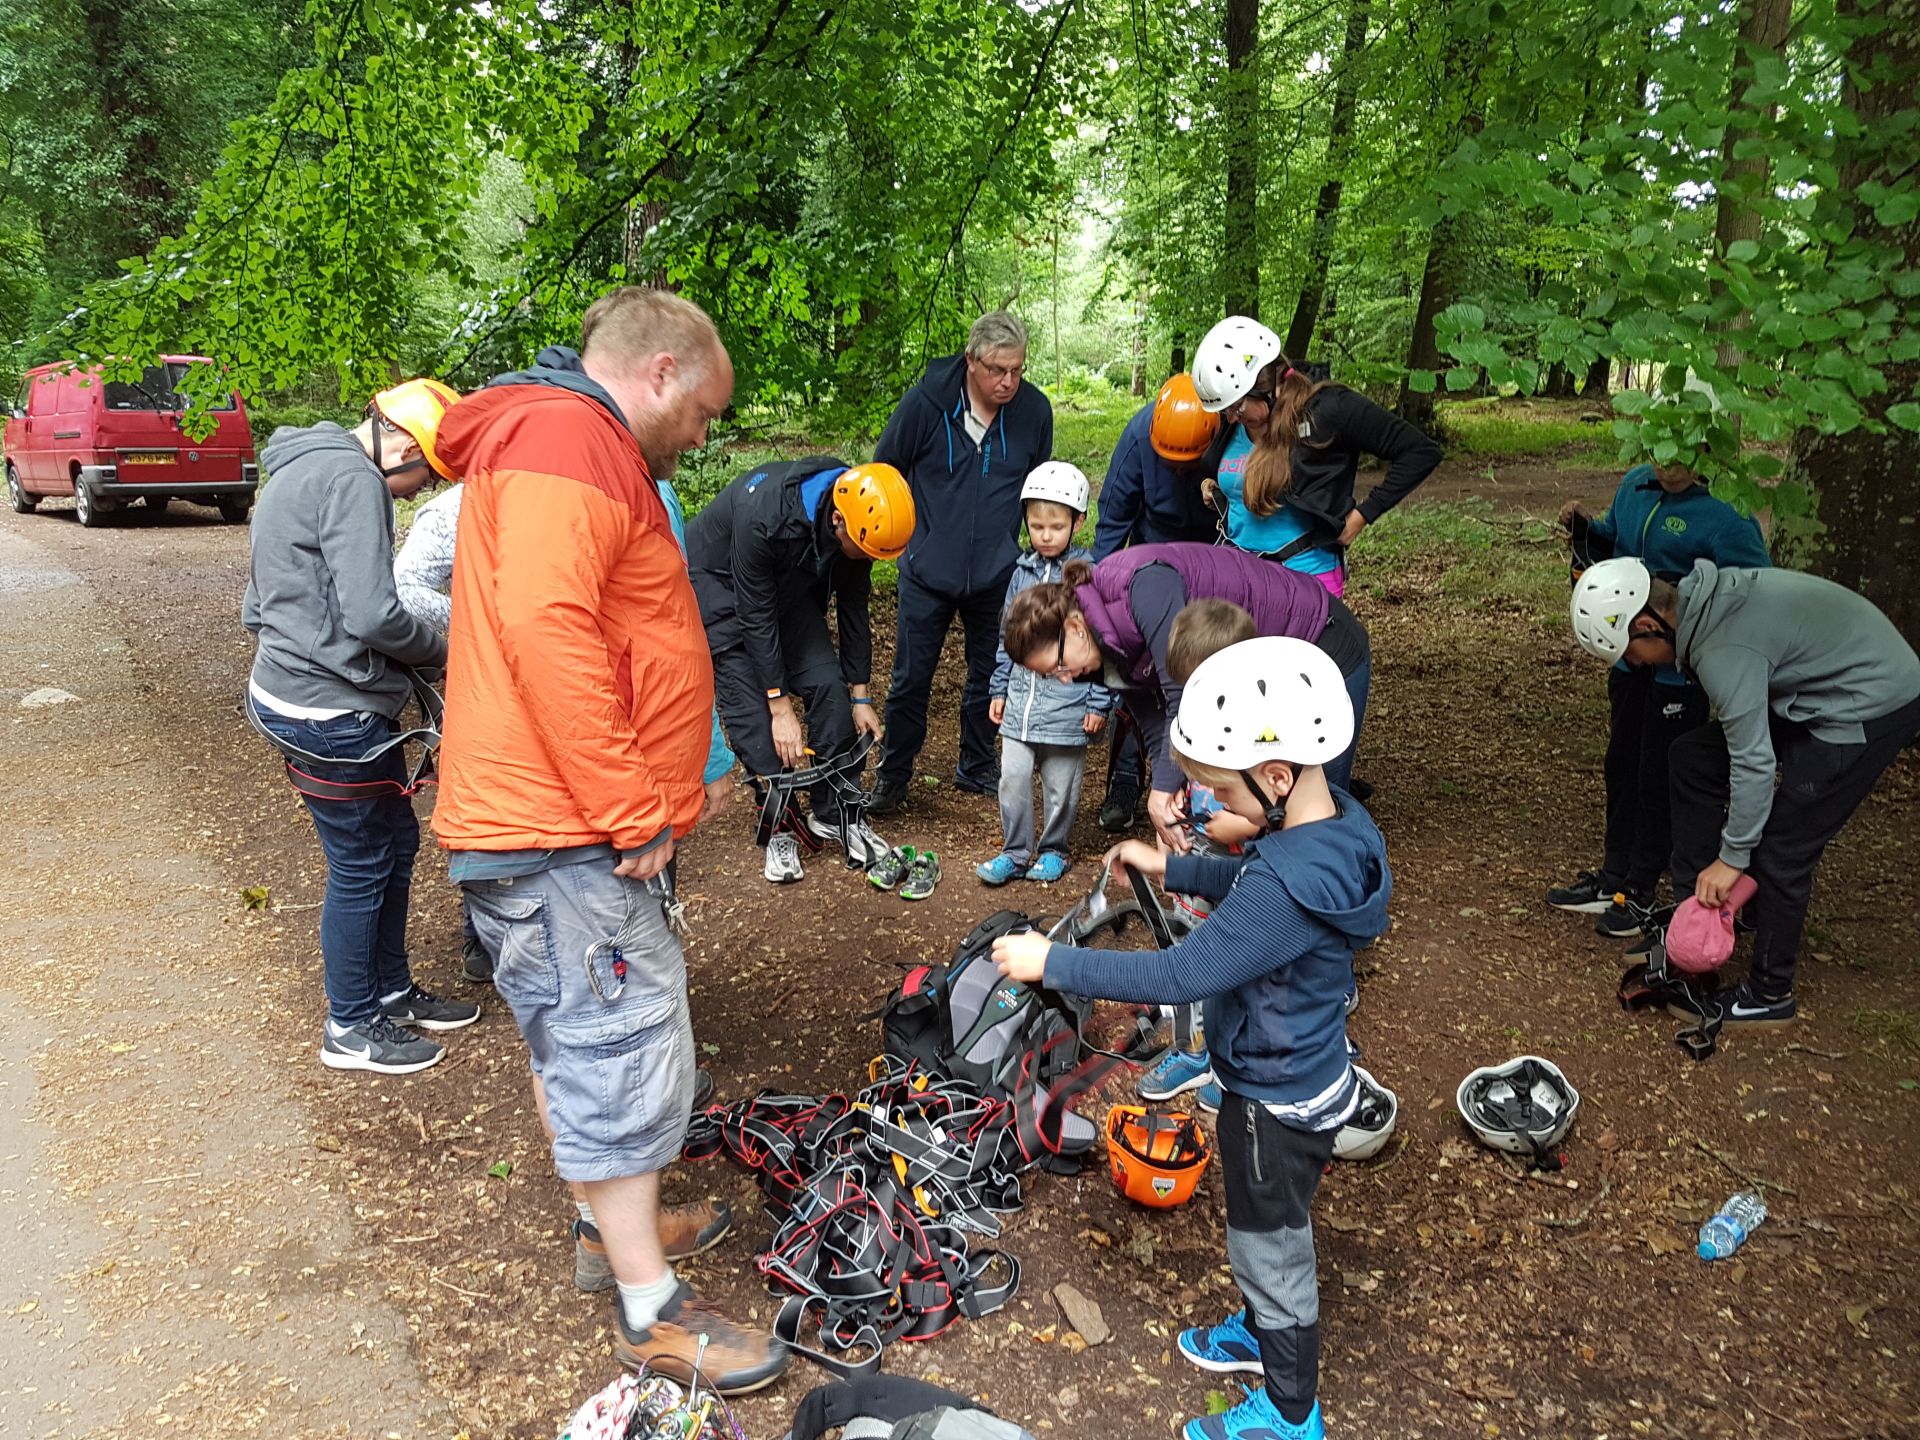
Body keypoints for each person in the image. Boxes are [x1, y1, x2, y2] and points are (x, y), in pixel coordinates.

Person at [430, 289, 785, 1395]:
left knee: (577, 1045)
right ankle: (651, 1313)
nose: (704, 437)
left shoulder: (570, 441)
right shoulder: (568, 437)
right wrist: (636, 806)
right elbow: (549, 627)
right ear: (665, 372)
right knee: (622, 1050)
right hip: (562, 833)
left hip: (546, 824)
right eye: (707, 412)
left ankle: (610, 1234)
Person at [991, 636, 1390, 1440]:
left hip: (1270, 1103)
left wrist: (1053, 960)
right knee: (1276, 1228)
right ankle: (1262, 1331)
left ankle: (1289, 1410)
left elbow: (1181, 976)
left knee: (1268, 1248)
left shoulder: (1283, 881)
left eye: (1215, 793)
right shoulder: (1338, 827)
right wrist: (1175, 870)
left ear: (1275, 778)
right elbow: (1254, 883)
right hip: (1313, 1075)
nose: (1204, 809)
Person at [394, 436, 742, 980]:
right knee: (617, 923)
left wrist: (476, 637)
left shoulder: (480, 493)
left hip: (501, 783)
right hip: (598, 762)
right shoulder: (631, 493)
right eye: (698, 416)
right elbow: (669, 638)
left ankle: (502, 951)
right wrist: (709, 758)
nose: (699, 436)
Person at [1570, 557, 1920, 1028]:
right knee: (1693, 757)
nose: (1633, 666)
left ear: (1650, 624)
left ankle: (1769, 993)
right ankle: (1699, 918)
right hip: (1816, 685)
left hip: (1869, 701)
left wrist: (1732, 857)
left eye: (1629, 653)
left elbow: (1753, 761)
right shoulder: (1703, 606)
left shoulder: (1724, 649)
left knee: (1782, 848)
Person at [244, 378, 480, 1075]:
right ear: (402, 442)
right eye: (426, 475)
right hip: (327, 713)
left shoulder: (294, 465)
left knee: (393, 841)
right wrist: (448, 656)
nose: (417, 493)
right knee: (361, 862)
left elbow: (257, 607)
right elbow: (375, 615)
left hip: (292, 695)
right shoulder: (354, 481)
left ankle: (388, 990)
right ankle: (350, 1025)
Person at [998, 542, 1371, 851]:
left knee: (1314, 800)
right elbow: (1161, 728)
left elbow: (1185, 702)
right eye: (1052, 676)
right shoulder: (1106, 648)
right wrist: (1169, 792)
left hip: (1318, 640)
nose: (1065, 680)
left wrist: (1162, 791)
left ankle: (1326, 907)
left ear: (1074, 626)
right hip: (1260, 677)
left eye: (1059, 665)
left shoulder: (1139, 587)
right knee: (1270, 804)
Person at [1546, 461, 1771, 937]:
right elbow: (1615, 535)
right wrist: (1587, 526)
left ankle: (1641, 892)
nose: (1669, 469)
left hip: (1681, 662)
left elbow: (1754, 590)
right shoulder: (1636, 484)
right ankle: (1613, 878)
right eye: (1662, 455)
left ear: (1705, 447)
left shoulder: (1726, 509)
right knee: (1621, 762)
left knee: (1659, 772)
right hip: (1630, 653)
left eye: (1683, 459)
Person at [685, 456, 910, 883]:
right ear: (838, 522)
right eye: (864, 553)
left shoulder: (856, 513)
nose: (867, 560)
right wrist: (779, 705)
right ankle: (781, 826)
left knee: (829, 687)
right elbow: (755, 615)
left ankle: (833, 812)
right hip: (724, 593)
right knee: (756, 721)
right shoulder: (764, 516)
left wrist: (860, 696)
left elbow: (853, 606)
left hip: (785, 591)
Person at [867, 310, 1055, 816]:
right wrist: (907, 539)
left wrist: (1034, 555)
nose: (1009, 381)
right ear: (971, 361)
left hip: (997, 572)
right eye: (997, 370)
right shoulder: (927, 404)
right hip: (927, 569)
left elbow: (1040, 489)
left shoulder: (1034, 411)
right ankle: (894, 774)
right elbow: (885, 472)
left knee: (988, 674)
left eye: (1017, 370)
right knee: (910, 679)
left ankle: (976, 764)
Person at [1191, 315, 1441, 597]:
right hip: (1239, 578)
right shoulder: (1236, 420)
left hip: (1303, 582)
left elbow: (1420, 451)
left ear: (1264, 385)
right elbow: (1237, 471)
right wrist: (1214, 487)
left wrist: (1362, 515)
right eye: (1226, 411)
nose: (1231, 418)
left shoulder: (1327, 411)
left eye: (1237, 408)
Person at [1092, 373, 1225, 833]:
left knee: (1203, 678)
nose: (1179, 470)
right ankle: (1126, 779)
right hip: (1149, 568)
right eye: (1170, 462)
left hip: (1213, 568)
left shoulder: (1228, 430)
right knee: (1138, 675)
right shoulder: (1138, 437)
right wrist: (1105, 603)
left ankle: (1211, 785)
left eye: (1188, 463)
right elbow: (1111, 525)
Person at [979, 462, 1113, 886]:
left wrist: (1098, 700)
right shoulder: (1020, 573)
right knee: (1012, 777)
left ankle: (1054, 848)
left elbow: (1103, 644)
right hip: (1021, 700)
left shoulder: (1088, 577)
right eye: (1037, 526)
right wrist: (999, 686)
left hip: (1069, 704)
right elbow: (1007, 635)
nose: (1046, 535)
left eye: (1056, 526)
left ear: (1077, 522)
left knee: (1062, 785)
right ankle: (1015, 851)